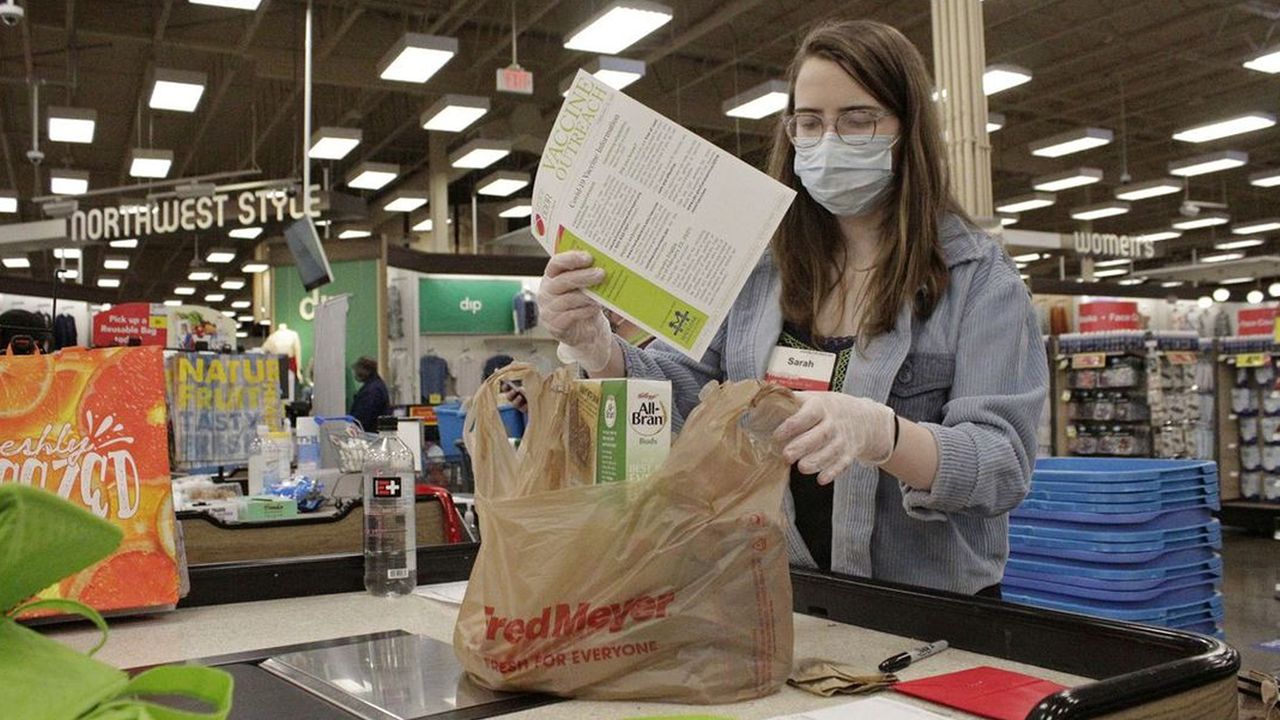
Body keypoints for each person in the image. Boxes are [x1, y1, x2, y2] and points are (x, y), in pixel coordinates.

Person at [533, 19, 1048, 597]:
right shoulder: (759, 269)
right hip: (775, 595)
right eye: (810, 122)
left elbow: (1002, 465)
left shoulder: (979, 279)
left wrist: (884, 435)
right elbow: (694, 399)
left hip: (927, 611)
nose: (828, 142)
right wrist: (600, 350)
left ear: (908, 129)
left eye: (857, 120)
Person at [349, 356, 390, 432]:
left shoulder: (371, 391)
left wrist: (352, 427)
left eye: (357, 370)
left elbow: (363, 416)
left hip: (370, 433)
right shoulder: (377, 385)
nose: (356, 374)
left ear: (365, 371)